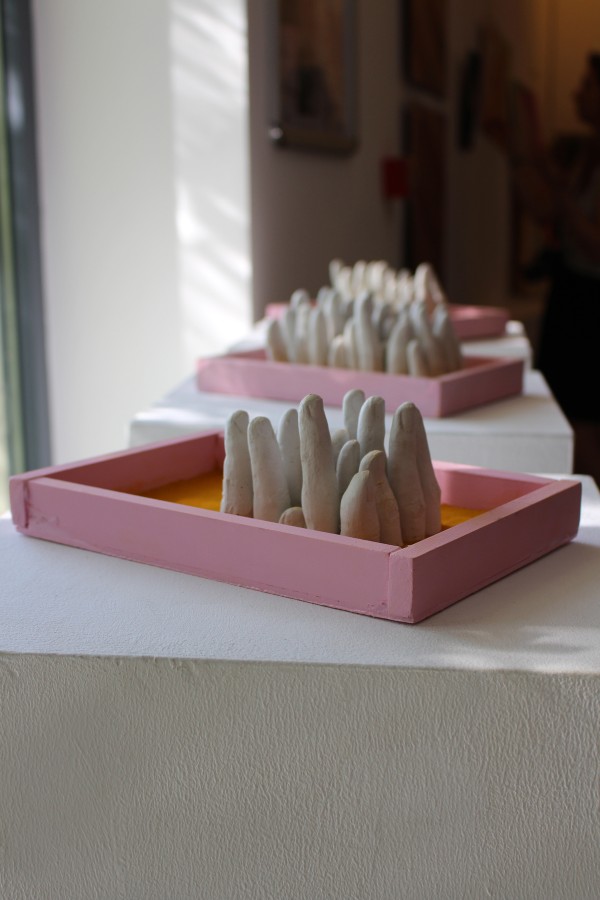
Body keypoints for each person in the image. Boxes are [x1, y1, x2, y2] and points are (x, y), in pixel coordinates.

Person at [509, 53, 600, 485]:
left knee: (585, 424)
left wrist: (561, 196)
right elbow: (548, 210)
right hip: (572, 292)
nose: (577, 93)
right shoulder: (584, 152)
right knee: (568, 413)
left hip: (592, 301)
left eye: (588, 85)